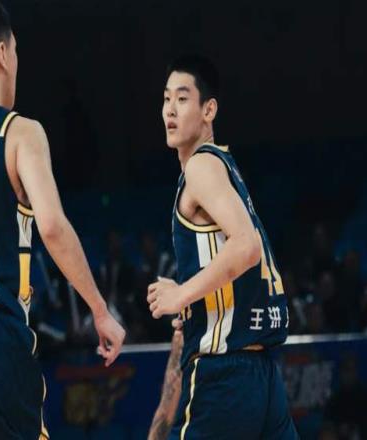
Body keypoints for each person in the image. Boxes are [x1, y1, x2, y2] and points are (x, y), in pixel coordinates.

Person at [0, 1, 125, 438]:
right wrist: (99, 310)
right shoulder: (20, 131)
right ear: (3, 54)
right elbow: (53, 226)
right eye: (17, 51)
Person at [147, 55, 297, 439]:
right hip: (263, 377)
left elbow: (246, 247)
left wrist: (181, 294)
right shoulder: (225, 167)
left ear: (208, 110)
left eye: (182, 99)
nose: (170, 109)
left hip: (226, 376)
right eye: (166, 98)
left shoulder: (201, 166)